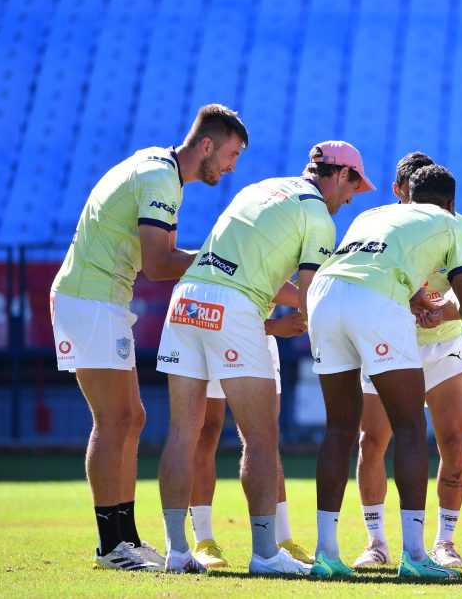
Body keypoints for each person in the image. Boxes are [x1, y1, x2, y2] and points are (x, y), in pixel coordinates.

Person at [155, 141, 373, 575]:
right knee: (260, 437)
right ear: (340, 175)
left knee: (182, 432)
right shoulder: (318, 218)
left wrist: (283, 320)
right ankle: (265, 554)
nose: (351, 199)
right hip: (234, 308)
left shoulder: (260, 188)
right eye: (354, 187)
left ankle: (177, 552)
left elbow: (251, 272)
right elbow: (312, 300)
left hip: (186, 300)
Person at [50, 104, 247, 571]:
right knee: (114, 419)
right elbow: (158, 265)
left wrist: (211, 261)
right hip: (90, 300)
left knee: (131, 418)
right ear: (206, 145)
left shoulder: (162, 171)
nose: (231, 167)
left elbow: (165, 256)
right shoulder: (160, 177)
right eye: (231, 154)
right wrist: (224, 262)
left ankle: (127, 539)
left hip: (103, 300)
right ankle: (111, 546)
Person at [307, 164, 462, 579]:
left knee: (339, 428)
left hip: (324, 295)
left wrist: (415, 298)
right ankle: (415, 557)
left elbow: (373, 265)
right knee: (409, 427)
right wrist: (442, 306)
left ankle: (326, 555)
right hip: (376, 304)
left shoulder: (374, 214)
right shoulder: (452, 223)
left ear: (406, 195)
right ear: (450, 202)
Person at [353, 153, 462, 570]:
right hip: (390, 344)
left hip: (443, 345)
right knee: (371, 442)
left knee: (452, 441)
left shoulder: (459, 227)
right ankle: (376, 542)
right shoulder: (381, 225)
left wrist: (442, 310)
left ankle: (445, 541)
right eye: (410, 193)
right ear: (399, 192)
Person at [187, 319, 314, 568]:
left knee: (266, 436)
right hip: (213, 331)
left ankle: (283, 540)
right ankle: (203, 541)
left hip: (258, 342)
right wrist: (275, 324)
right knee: (207, 431)